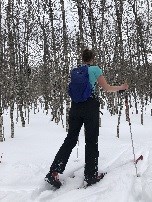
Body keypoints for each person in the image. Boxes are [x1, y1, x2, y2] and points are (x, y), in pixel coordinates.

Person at [45, 49, 128, 188]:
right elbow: (107, 88)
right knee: (91, 140)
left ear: (82, 58)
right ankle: (90, 175)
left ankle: (54, 171)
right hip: (90, 106)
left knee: (70, 139)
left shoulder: (75, 70)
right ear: (93, 58)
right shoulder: (95, 69)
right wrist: (122, 87)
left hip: (76, 107)